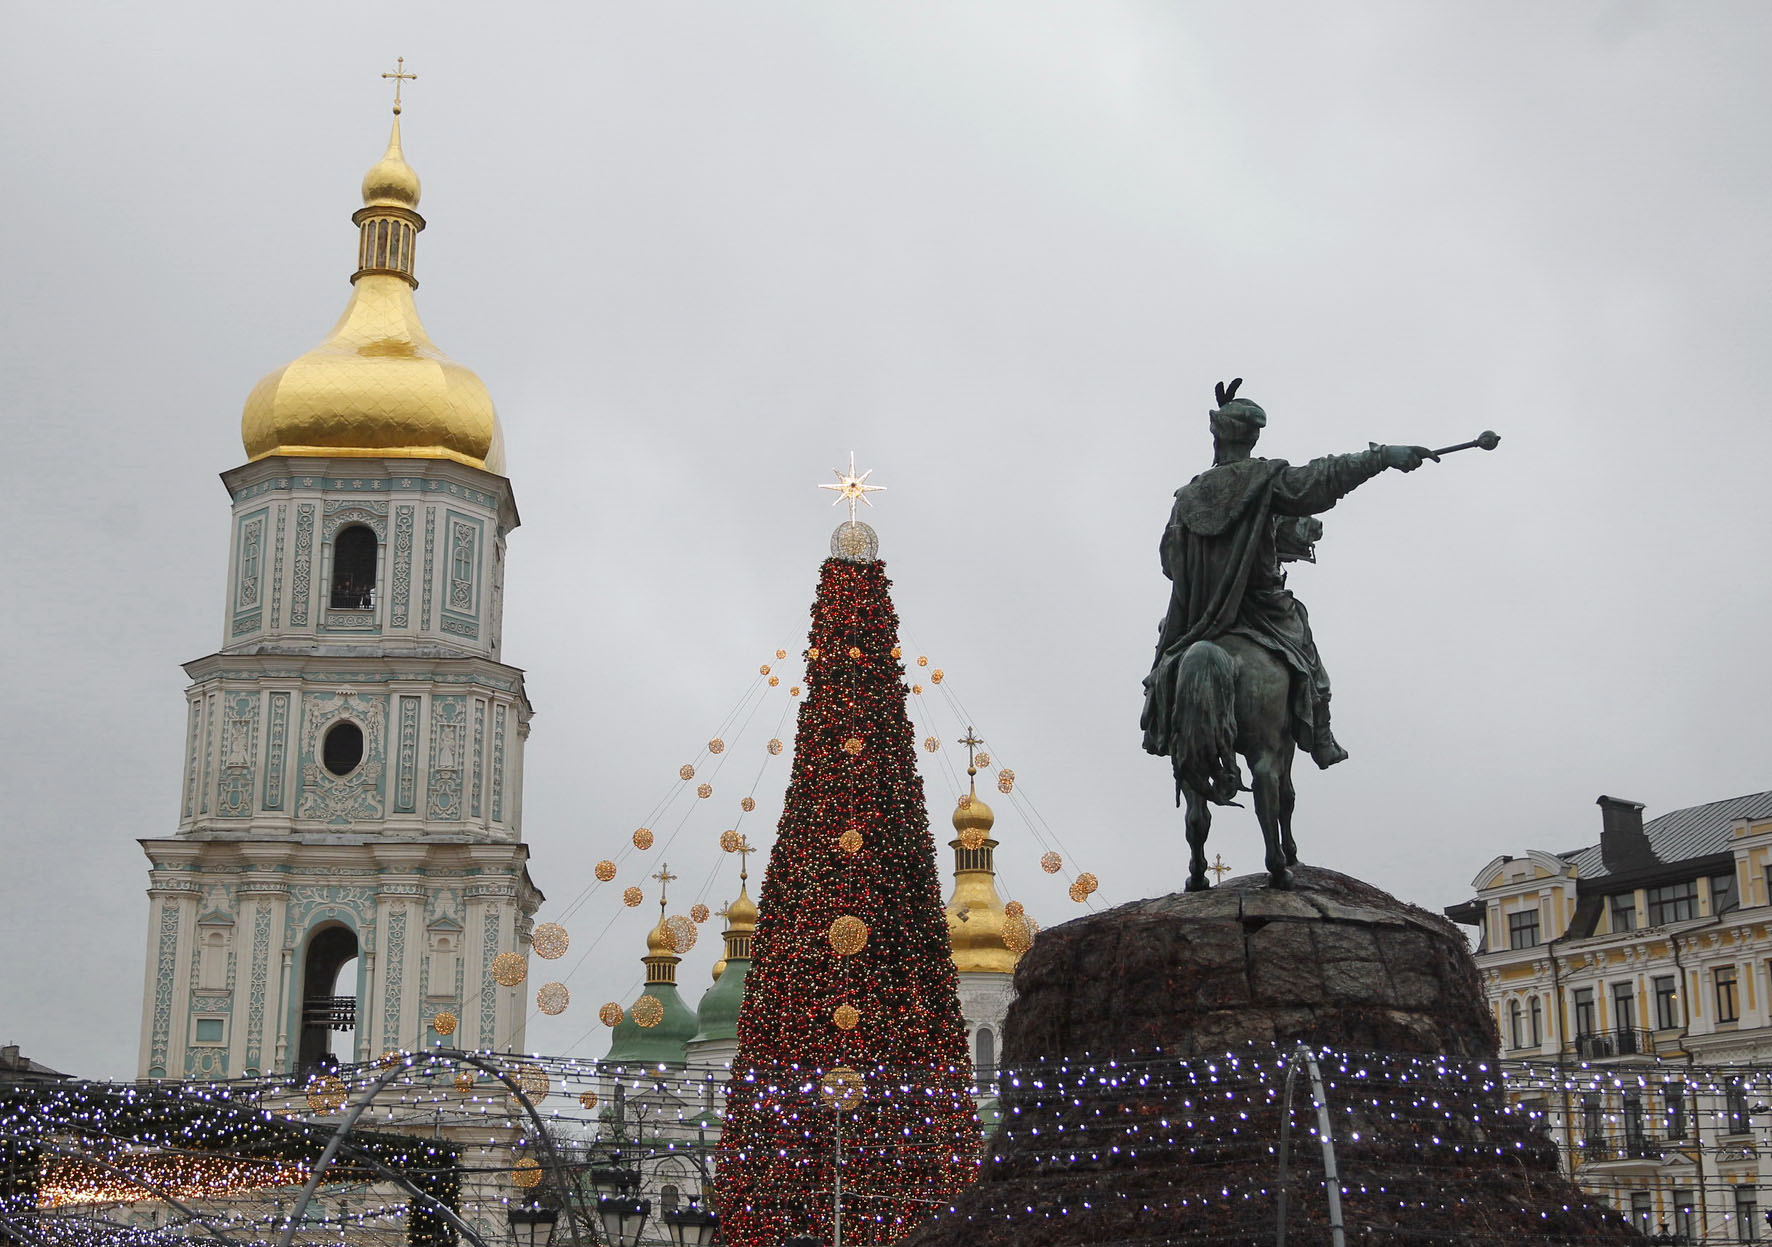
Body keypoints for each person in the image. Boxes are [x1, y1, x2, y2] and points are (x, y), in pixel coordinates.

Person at [1140, 379, 1435, 770]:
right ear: (1252, 439)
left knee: (1166, 647)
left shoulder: (1187, 498)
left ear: (1216, 434)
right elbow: (1322, 477)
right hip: (1259, 609)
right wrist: (1381, 457)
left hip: (1197, 620)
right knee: (1303, 633)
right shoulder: (1264, 481)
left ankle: (1157, 721)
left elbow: (1169, 563)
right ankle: (1322, 737)